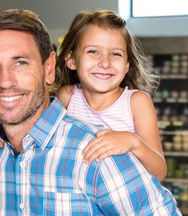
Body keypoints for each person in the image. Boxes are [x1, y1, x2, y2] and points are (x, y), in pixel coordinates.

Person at [0, 8, 188, 216]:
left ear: (49, 68)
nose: (6, 81)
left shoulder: (104, 158)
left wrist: (133, 142)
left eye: (21, 62)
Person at [55, 10, 167, 181]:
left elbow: (159, 172)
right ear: (72, 60)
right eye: (93, 51)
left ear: (127, 65)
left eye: (115, 54)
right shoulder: (67, 97)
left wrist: (133, 142)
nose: (105, 63)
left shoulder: (137, 102)